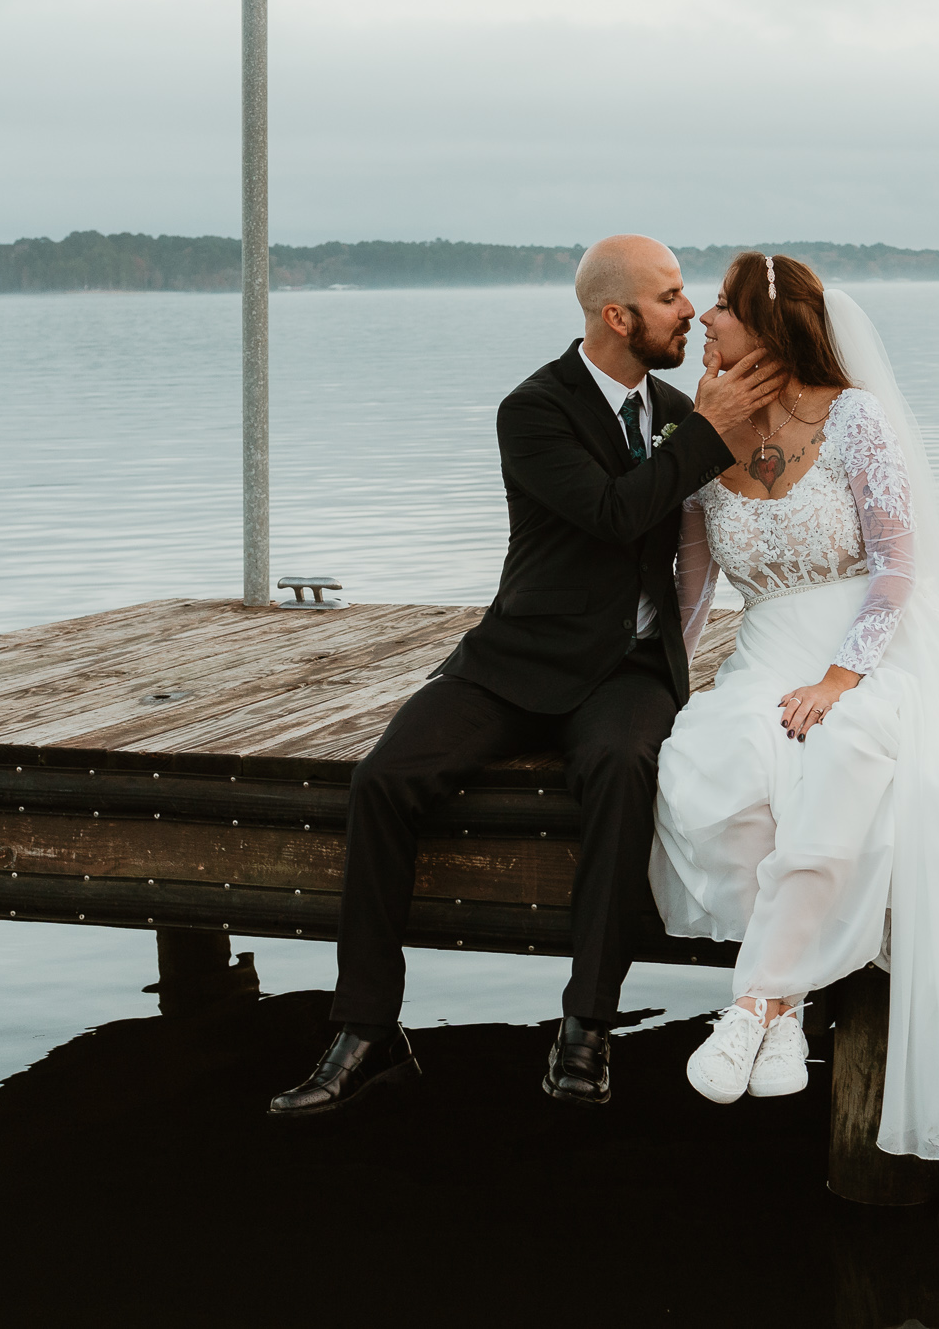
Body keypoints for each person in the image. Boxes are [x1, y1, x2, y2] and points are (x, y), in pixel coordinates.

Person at [269, 234, 787, 1118]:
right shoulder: (534, 410)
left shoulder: (676, 409)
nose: (690, 309)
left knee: (622, 773)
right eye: (669, 297)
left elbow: (703, 541)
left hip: (626, 670)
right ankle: (366, 1030)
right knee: (382, 781)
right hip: (517, 657)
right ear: (615, 316)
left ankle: (587, 1025)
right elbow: (612, 512)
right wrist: (707, 433)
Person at [648, 253, 939, 1159]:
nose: (704, 322)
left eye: (721, 308)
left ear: (768, 325)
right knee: (704, 772)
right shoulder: (703, 428)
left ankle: (756, 1000)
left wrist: (843, 678)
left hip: (873, 649)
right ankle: (792, 1000)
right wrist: (661, 681)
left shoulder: (855, 419)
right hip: (764, 655)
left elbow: (896, 569)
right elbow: (692, 584)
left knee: (844, 756)